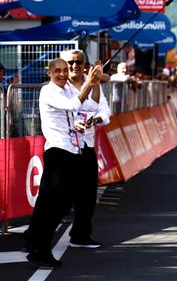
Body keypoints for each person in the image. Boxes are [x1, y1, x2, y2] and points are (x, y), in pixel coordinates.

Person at [23, 58, 102, 268]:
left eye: (64, 70)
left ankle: (35, 243)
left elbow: (89, 106)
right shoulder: (48, 91)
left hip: (72, 149)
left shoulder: (67, 88)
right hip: (58, 151)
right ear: (49, 73)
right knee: (53, 204)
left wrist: (95, 83)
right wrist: (89, 83)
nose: (62, 74)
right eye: (57, 70)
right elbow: (72, 104)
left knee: (58, 203)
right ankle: (39, 249)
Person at [60, 49, 111, 249]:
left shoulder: (94, 84)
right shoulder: (59, 87)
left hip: (86, 146)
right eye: (70, 63)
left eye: (78, 63)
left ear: (84, 65)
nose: (74, 67)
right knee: (58, 196)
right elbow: (68, 110)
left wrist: (95, 120)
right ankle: (35, 238)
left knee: (88, 194)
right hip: (64, 148)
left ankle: (80, 235)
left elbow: (103, 110)